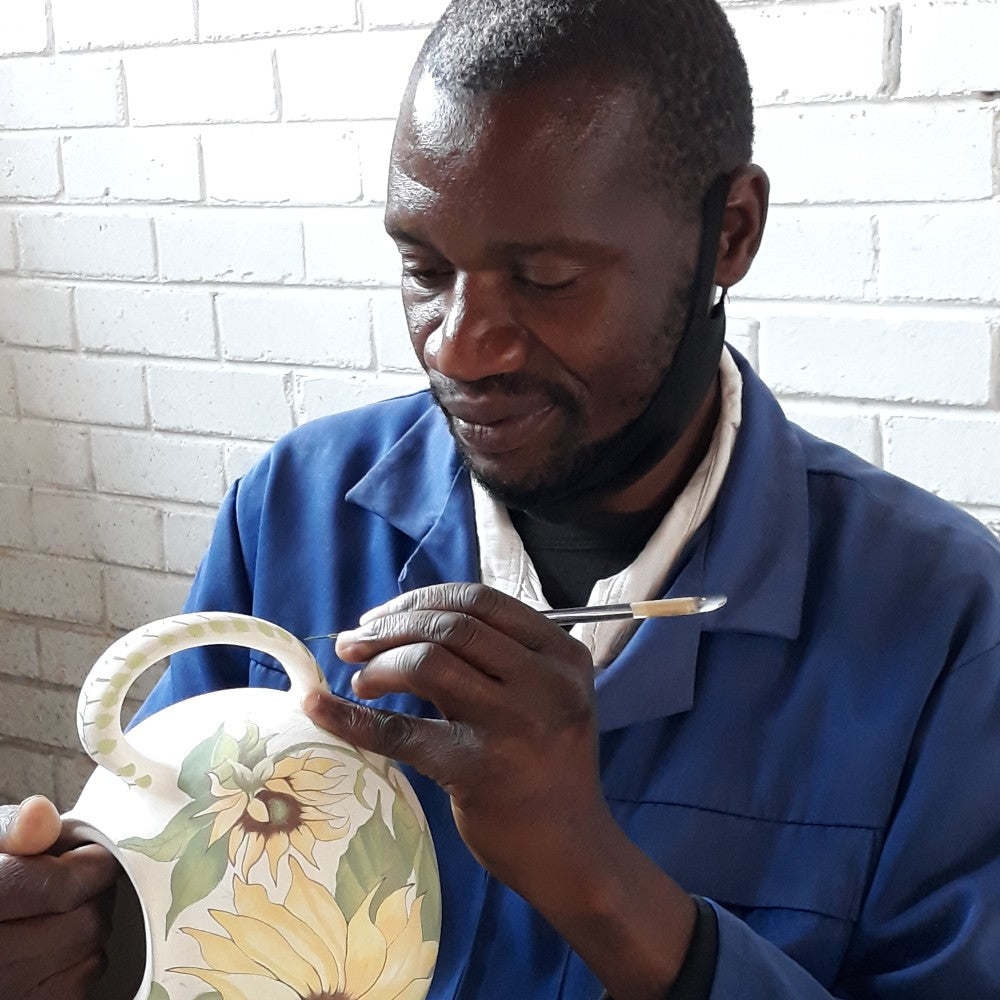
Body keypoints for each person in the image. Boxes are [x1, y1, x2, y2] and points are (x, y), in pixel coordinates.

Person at [3, 0, 1000, 997]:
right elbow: (182, 897)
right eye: (424, 270)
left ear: (727, 233)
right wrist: (94, 934)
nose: (458, 345)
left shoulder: (943, 623)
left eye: (548, 276)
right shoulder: (294, 514)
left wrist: (598, 883)